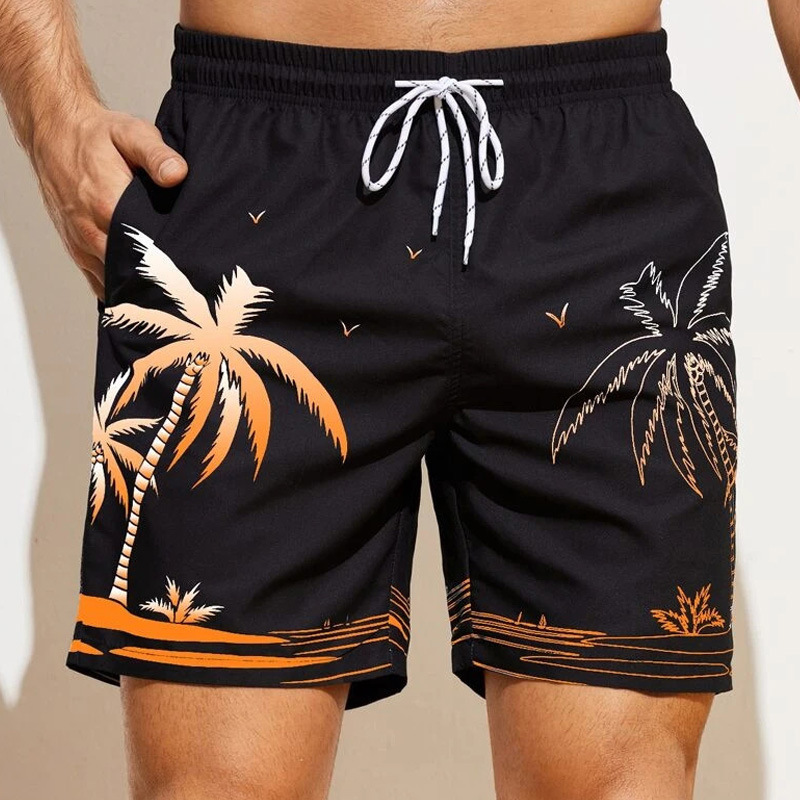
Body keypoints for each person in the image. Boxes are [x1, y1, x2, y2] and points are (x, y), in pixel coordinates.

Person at [0, 2, 797, 798]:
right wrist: (53, 116)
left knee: (618, 784)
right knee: (216, 786)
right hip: (257, 188)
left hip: (604, 208)